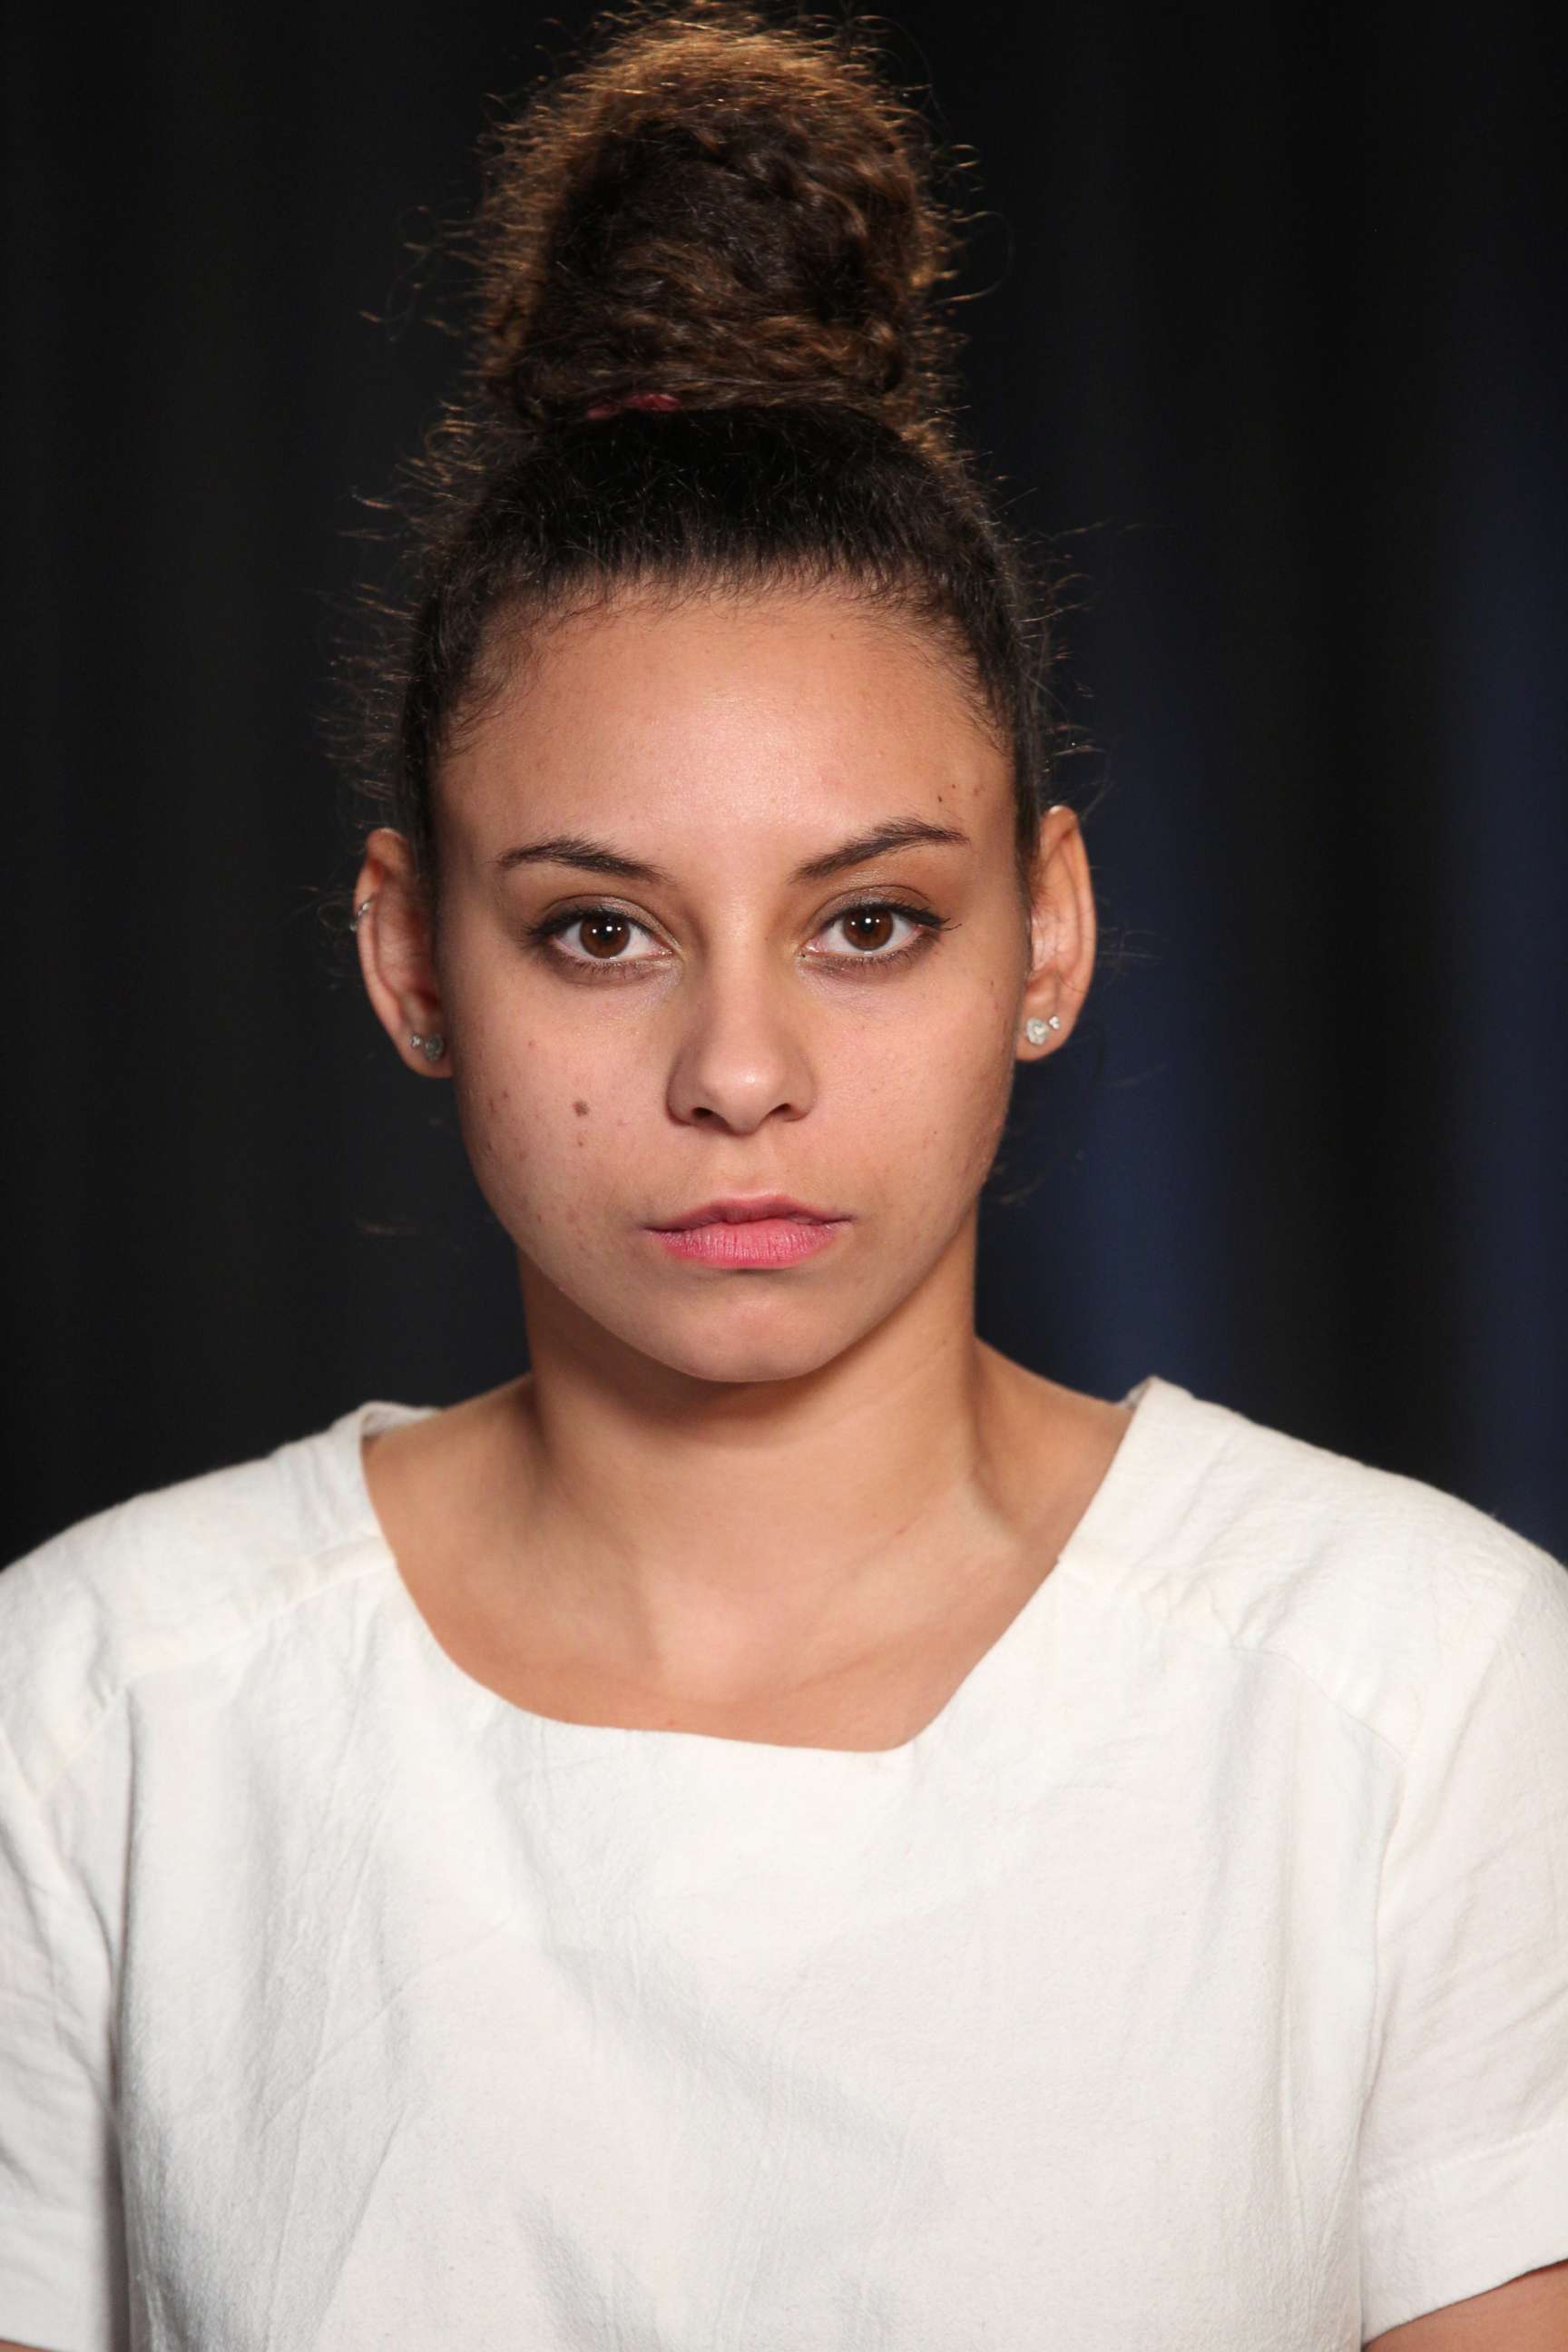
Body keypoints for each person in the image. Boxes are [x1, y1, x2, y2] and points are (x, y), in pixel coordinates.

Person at [2, 4, 1565, 2347]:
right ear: (411, 957)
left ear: (1045, 933)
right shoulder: (101, 1716)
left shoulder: (1422, 1701)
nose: (741, 1069)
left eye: (868, 921)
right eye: (600, 929)